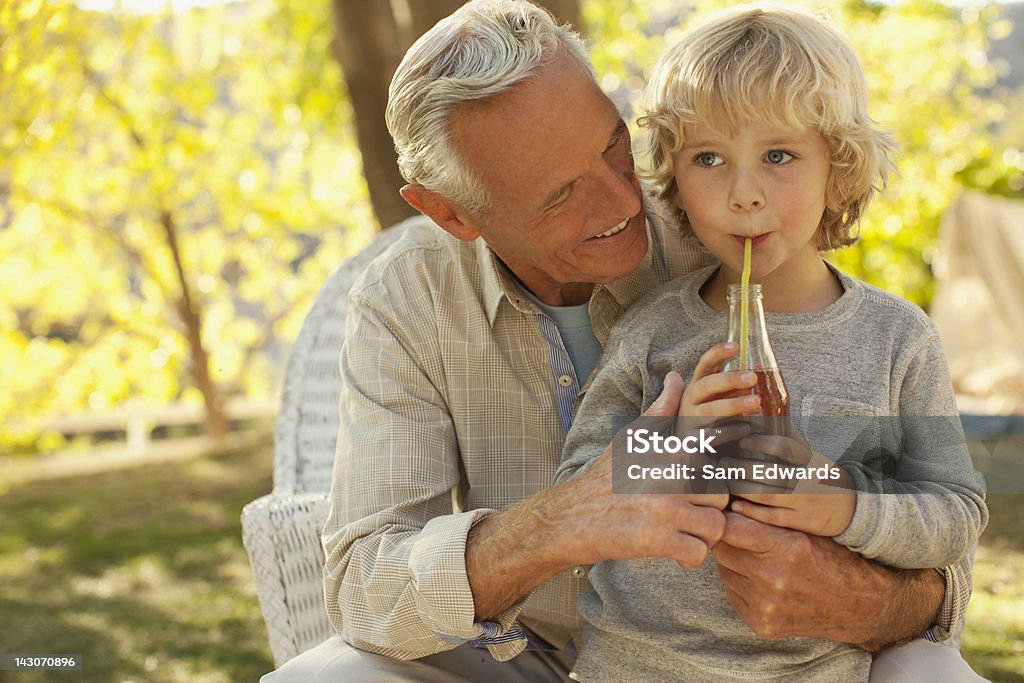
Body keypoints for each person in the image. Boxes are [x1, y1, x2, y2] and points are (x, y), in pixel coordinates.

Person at [261, 1, 976, 681]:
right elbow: (362, 588)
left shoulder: (727, 228)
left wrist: (851, 568)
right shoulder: (408, 299)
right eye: (559, 192)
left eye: (612, 146)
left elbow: (948, 530)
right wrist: (565, 517)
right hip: (531, 653)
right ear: (450, 212)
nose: (624, 200)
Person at [554, 4, 988, 682]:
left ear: (837, 167)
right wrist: (680, 442)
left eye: (778, 155)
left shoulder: (896, 338)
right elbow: (574, 489)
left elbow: (955, 512)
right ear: (674, 176)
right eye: (709, 159)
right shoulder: (652, 330)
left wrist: (842, 502)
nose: (744, 193)